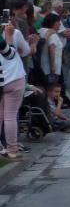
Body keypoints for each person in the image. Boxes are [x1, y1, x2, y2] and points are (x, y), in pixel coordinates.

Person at [0, 21, 35, 159]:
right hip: (13, 78)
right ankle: (12, 149)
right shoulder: (10, 37)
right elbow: (10, 53)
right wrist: (9, 35)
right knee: (9, 115)